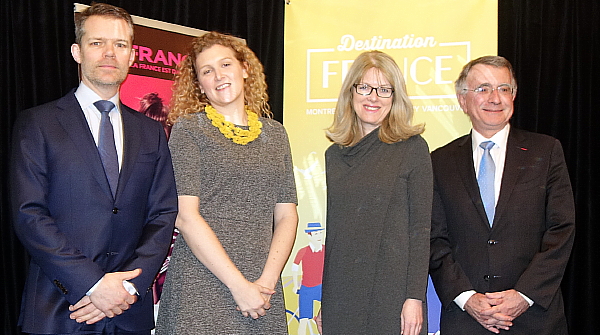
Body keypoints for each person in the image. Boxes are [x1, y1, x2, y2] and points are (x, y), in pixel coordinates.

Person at [10, 3, 178, 335]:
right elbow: (28, 213)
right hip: (60, 310)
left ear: (132, 56)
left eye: (120, 44)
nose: (109, 53)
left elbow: (162, 214)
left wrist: (128, 288)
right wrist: (92, 284)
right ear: (77, 51)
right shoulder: (38, 123)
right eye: (97, 42)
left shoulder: (151, 132)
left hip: (129, 311)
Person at [155, 31, 298, 334]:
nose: (218, 75)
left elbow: (287, 215)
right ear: (199, 84)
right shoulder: (189, 131)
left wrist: (266, 284)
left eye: (225, 65)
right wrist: (238, 286)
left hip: (262, 291)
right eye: (207, 71)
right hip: (201, 287)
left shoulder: (276, 135)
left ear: (245, 69)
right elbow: (185, 215)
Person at [429, 55, 575, 334]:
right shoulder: (439, 162)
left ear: (514, 95)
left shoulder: (546, 152)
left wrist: (523, 295)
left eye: (504, 88)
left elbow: (562, 229)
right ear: (462, 100)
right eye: (483, 88)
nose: (495, 98)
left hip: (535, 318)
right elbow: (434, 239)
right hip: (466, 320)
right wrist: (466, 298)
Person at [317, 50, 432, 335]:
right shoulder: (334, 155)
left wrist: (414, 298)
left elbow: (420, 230)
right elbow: (337, 234)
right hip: (342, 296)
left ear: (395, 98)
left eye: (384, 90)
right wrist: (325, 298)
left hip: (392, 296)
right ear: (351, 92)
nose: (373, 97)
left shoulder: (413, 149)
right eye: (365, 87)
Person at [291, 222, 325, 335]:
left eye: (320, 233)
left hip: (322, 287)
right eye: (316, 234)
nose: (319, 236)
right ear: (309, 235)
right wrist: (296, 285)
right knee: (303, 320)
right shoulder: (303, 251)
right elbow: (294, 267)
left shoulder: (326, 249)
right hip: (307, 287)